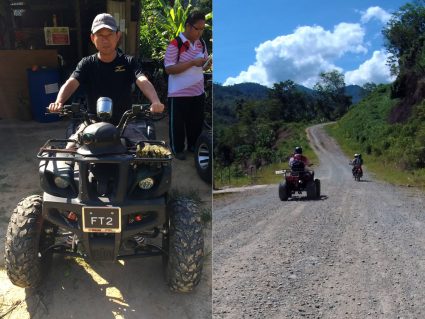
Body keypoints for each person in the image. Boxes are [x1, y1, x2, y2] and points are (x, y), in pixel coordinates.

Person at [49, 13, 164, 127]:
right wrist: (59, 102)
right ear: (93, 38)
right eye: (100, 35)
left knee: (143, 145)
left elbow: (143, 81)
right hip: (92, 122)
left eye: (109, 34)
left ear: (117, 36)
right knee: (71, 145)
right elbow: (71, 83)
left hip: (125, 123)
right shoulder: (86, 63)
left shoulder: (129, 62)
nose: (105, 40)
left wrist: (155, 101)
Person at [164, 10, 211, 160]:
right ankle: (177, 149)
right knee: (177, 125)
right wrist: (192, 62)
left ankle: (193, 146)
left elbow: (201, 68)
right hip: (178, 93)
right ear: (188, 26)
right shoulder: (175, 44)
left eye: (203, 29)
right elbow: (169, 68)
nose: (200, 32)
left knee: (196, 123)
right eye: (198, 28)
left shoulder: (201, 44)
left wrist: (207, 64)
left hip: (197, 92)